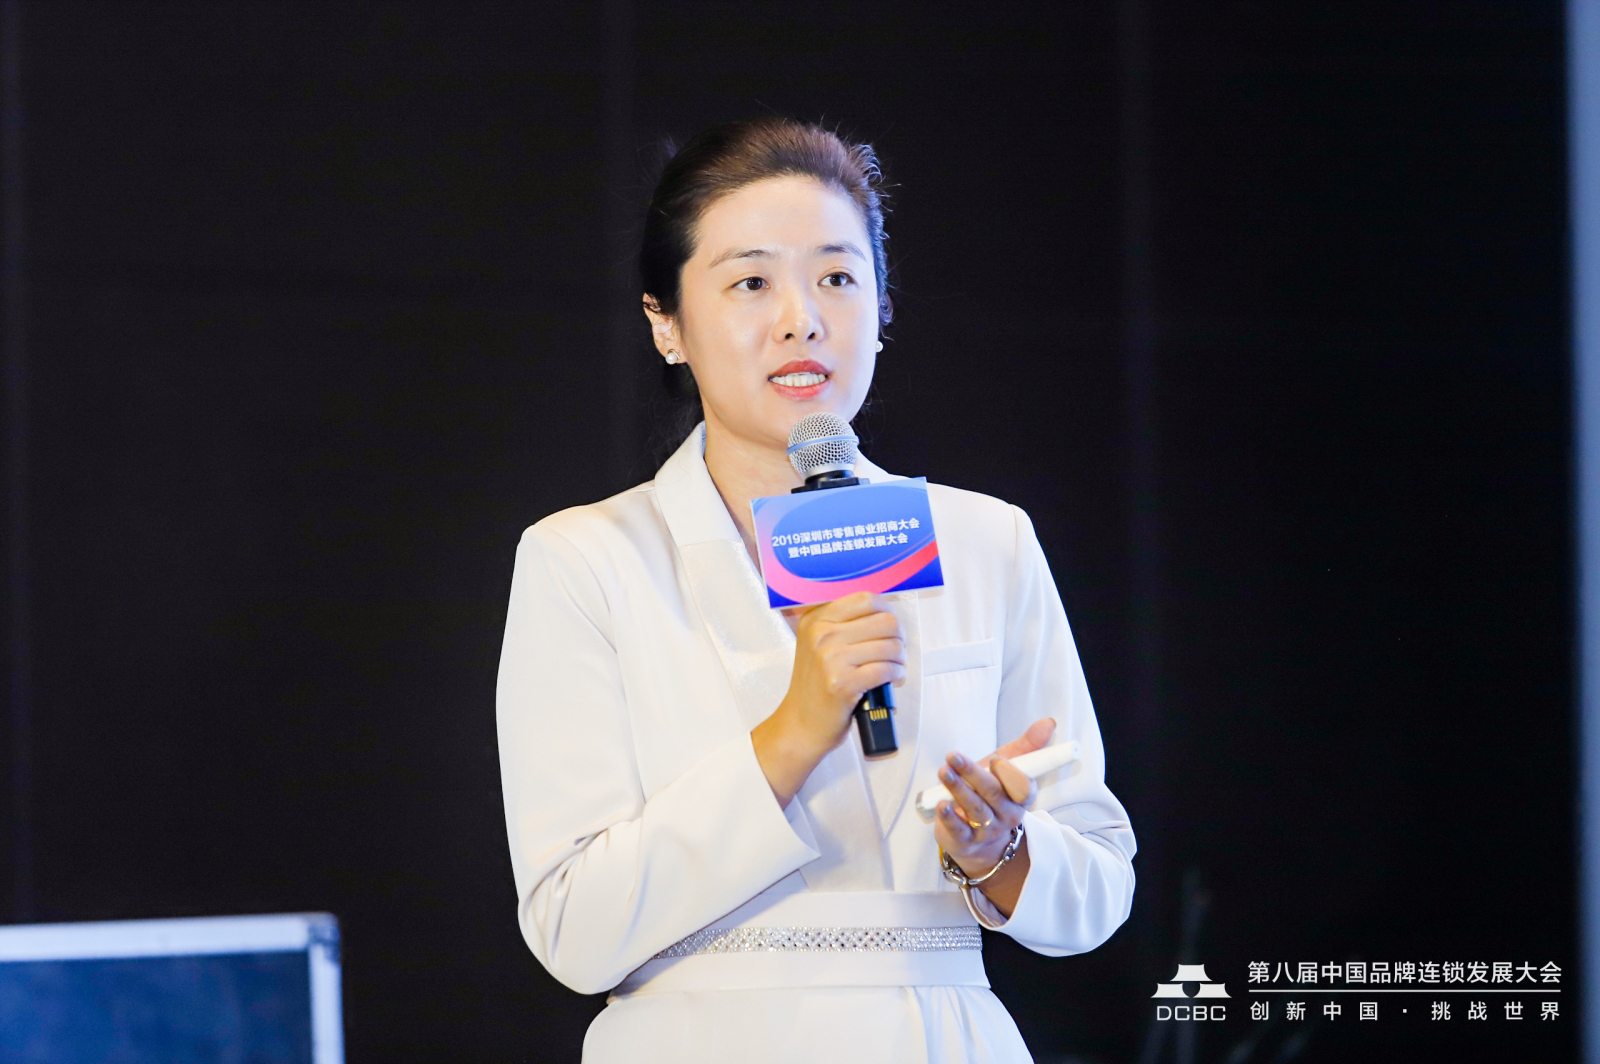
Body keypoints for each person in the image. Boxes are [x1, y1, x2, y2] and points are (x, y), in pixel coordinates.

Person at [496, 117, 1136, 1063]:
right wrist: (795, 730)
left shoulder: (985, 539)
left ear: (881, 308)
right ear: (665, 323)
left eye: (837, 277)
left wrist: (999, 850)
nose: (802, 318)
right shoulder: (586, 559)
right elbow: (571, 929)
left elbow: (1100, 889)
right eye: (752, 282)